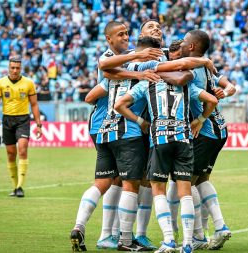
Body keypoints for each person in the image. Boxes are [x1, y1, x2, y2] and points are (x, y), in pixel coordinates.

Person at [114, 37, 219, 253]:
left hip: (159, 140)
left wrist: (142, 122)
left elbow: (119, 104)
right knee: (185, 191)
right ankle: (188, 243)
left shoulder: (148, 82)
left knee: (158, 191)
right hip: (183, 139)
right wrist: (199, 121)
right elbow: (213, 100)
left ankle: (169, 241)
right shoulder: (187, 83)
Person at [69, 21, 162, 252]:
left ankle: (80, 227)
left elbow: (107, 71)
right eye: (121, 34)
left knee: (103, 182)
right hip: (128, 130)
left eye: (126, 34)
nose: (125, 37)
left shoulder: (126, 60)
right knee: (132, 183)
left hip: (107, 131)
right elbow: (99, 77)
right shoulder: (129, 57)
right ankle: (126, 239)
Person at [177, 29, 236, 251]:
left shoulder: (191, 67)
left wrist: (200, 118)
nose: (181, 44)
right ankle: (213, 230)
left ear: (191, 47)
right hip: (219, 129)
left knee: (186, 183)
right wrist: (226, 92)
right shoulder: (204, 64)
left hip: (205, 131)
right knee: (202, 180)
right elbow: (231, 86)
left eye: (184, 41)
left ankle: (203, 234)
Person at [0, 56, 43, 197]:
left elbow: (34, 104)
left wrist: (38, 125)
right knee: (11, 154)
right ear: (8, 68)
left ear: (21, 69)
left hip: (23, 120)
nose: (15, 70)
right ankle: (14, 187)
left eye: (17, 68)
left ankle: (20, 187)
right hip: (7, 120)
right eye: (12, 68)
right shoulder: (0, 83)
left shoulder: (28, 83)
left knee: (23, 150)